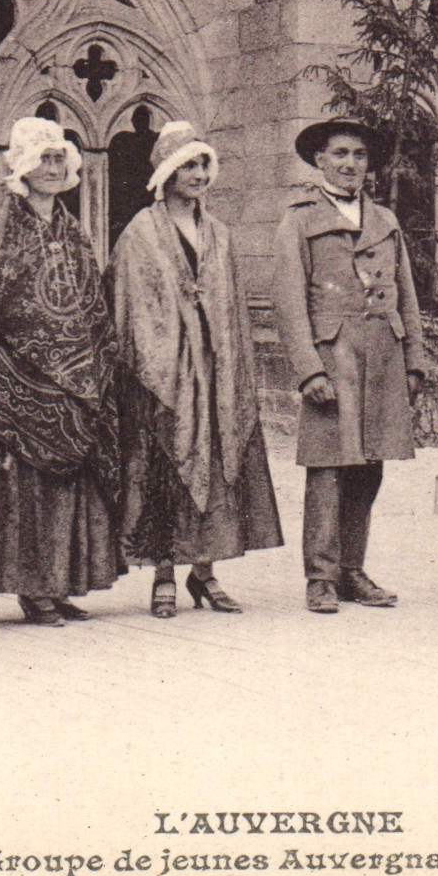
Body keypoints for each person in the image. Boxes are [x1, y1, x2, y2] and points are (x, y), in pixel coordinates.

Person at [111, 122, 282, 618]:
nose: (198, 174)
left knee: (216, 467)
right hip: (164, 375)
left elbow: (230, 304)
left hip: (217, 373)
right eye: (187, 164)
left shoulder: (221, 234)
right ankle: (164, 574)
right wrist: (168, 351)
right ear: (166, 171)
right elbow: (131, 304)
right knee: (168, 468)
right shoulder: (141, 233)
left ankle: (205, 573)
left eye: (203, 164)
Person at [0, 117, 122, 625]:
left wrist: (91, 355)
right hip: (18, 380)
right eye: (42, 159)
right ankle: (33, 589)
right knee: (27, 487)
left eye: (59, 158)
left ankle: (63, 582)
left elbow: (91, 297)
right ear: (22, 167)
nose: (52, 168)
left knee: (71, 484)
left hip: (76, 378)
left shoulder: (73, 228)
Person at [272, 119, 423, 613]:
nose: (349, 163)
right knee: (327, 468)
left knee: (370, 465)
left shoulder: (385, 220)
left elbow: (407, 296)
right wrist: (308, 370)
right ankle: (321, 577)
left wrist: (415, 359)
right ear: (319, 161)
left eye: (358, 155)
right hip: (332, 358)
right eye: (339, 154)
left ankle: (353, 569)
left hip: (382, 355)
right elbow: (289, 301)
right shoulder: (299, 219)